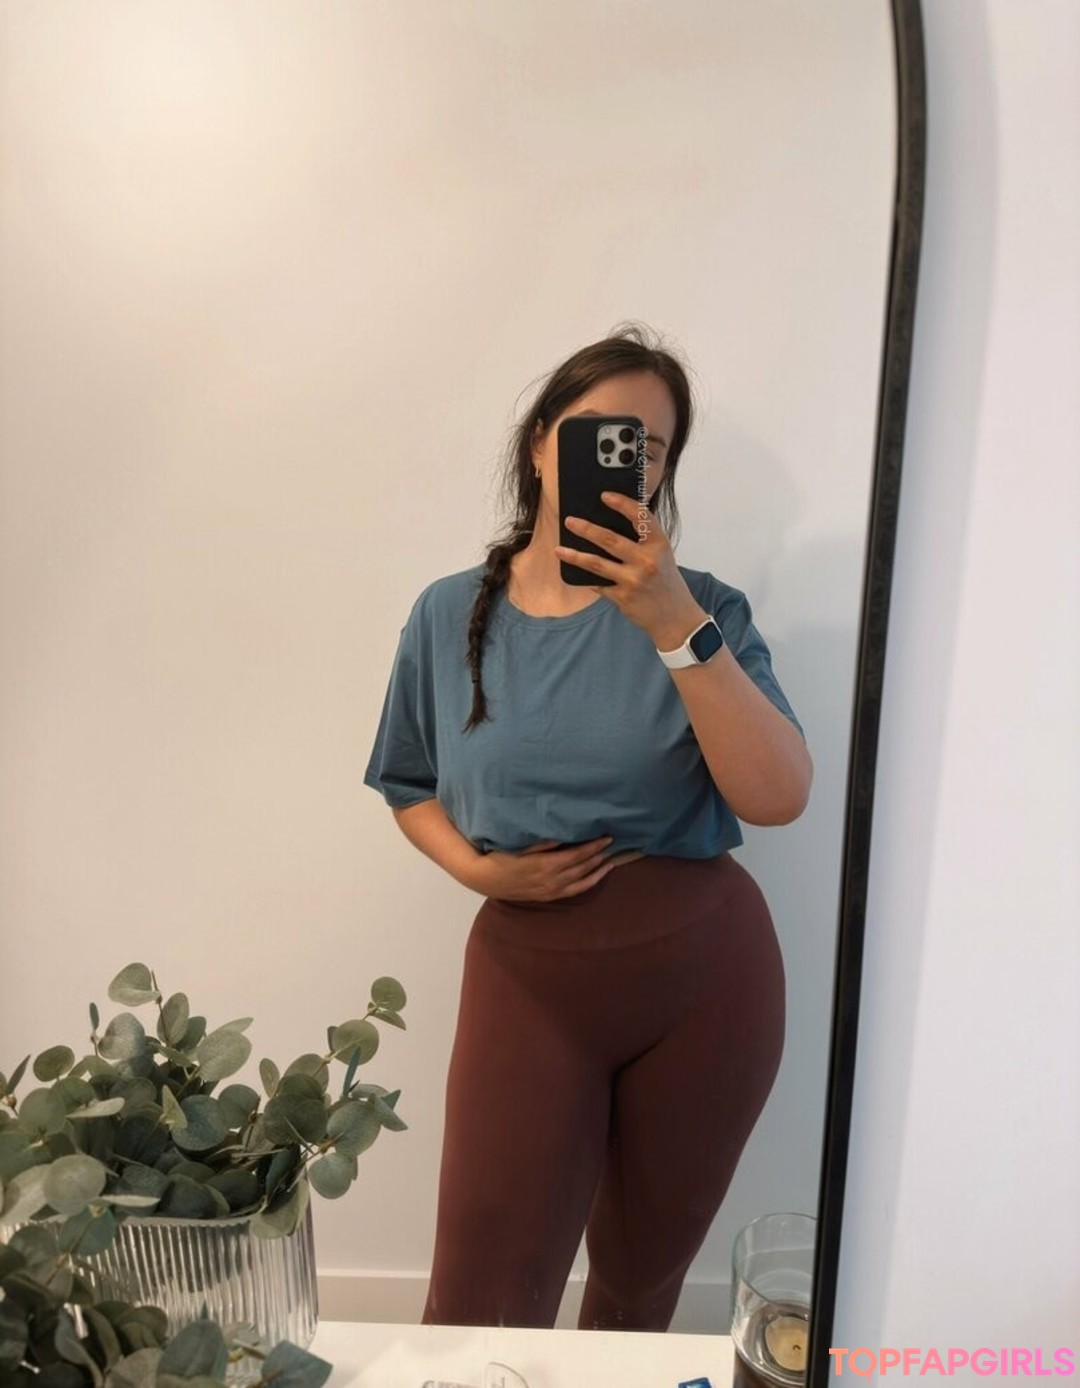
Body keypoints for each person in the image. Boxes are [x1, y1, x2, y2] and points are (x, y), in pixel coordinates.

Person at [363, 324, 812, 1332]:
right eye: (600, 432)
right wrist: (481, 871)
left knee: (637, 1290)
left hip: (707, 980)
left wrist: (674, 625)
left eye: (649, 447)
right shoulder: (449, 614)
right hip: (527, 975)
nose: (627, 457)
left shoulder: (708, 611)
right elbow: (406, 783)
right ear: (541, 443)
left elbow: (778, 793)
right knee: (477, 1303)